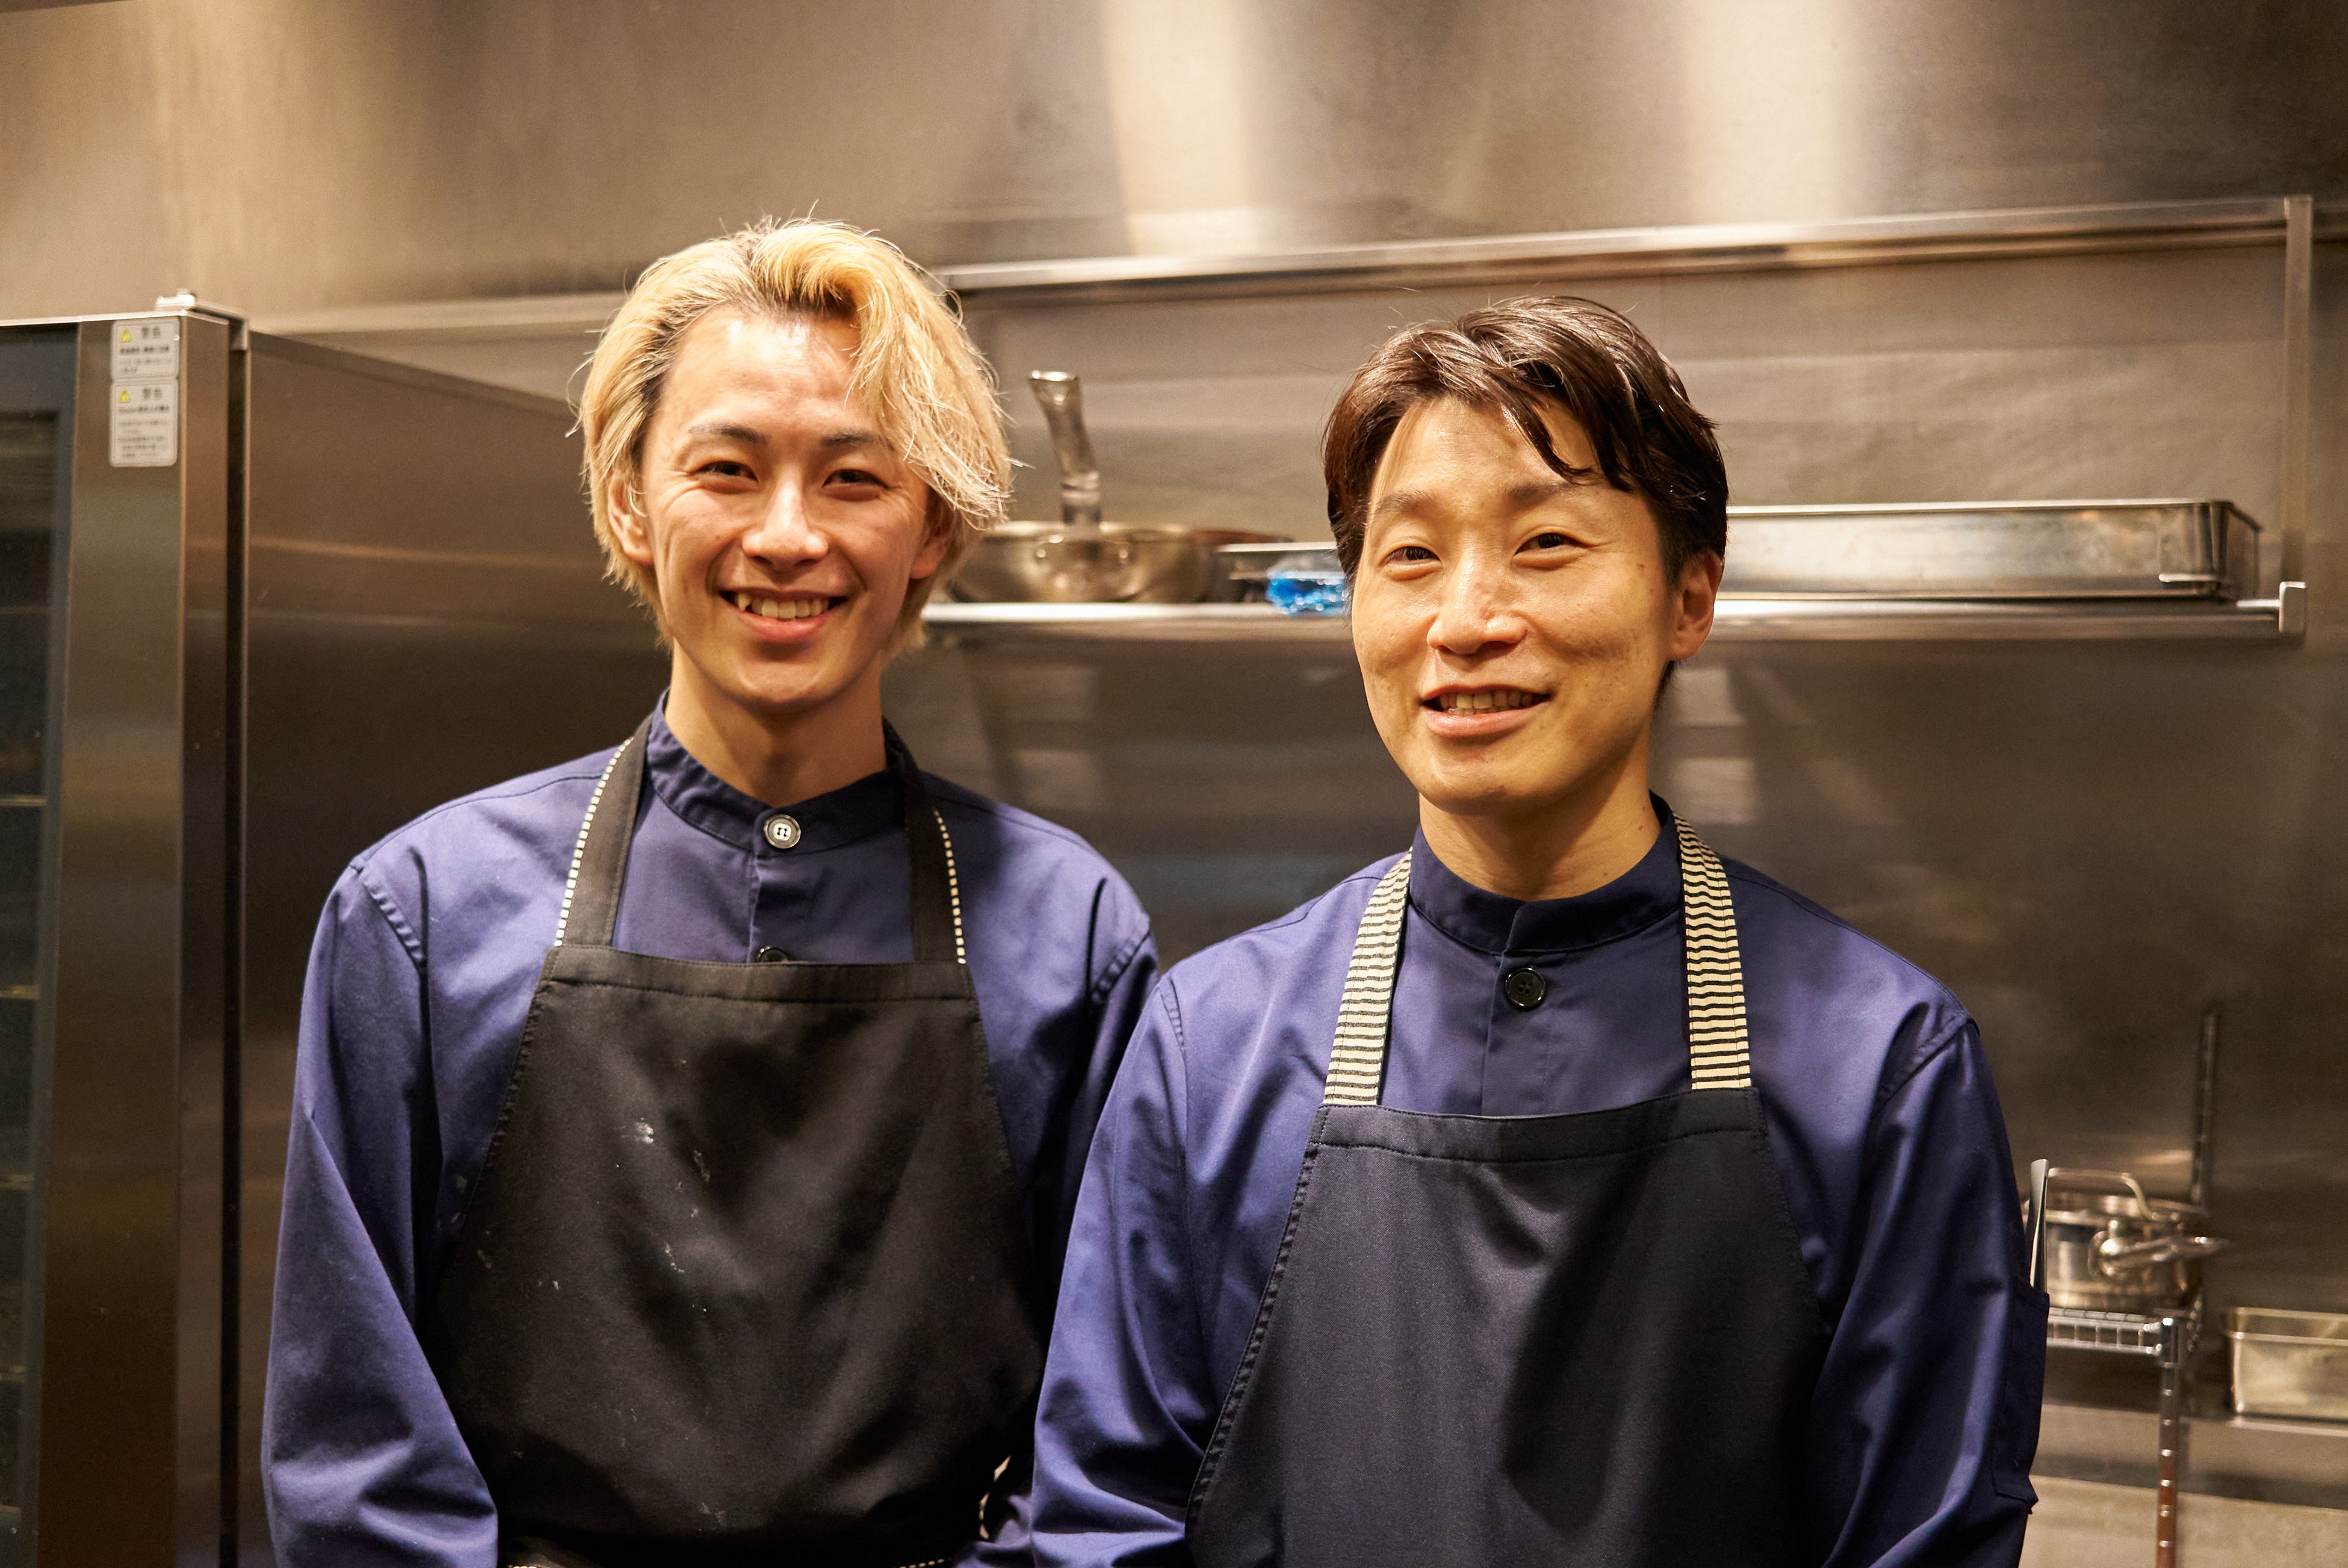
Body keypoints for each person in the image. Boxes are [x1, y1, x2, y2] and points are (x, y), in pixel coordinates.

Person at [1028, 297, 2046, 1567]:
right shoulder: (1208, 1047)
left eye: (1547, 543)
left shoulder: (1885, 1068)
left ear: (1690, 596)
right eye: (1411, 555)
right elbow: (1104, 1521)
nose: (1467, 619)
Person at [263, 220, 1158, 1568]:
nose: (786, 536)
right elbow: (356, 1458)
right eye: (727, 469)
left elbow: (1103, 1458)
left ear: (932, 525)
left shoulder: (1069, 934)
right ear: (631, 499)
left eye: (854, 477)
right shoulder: (421, 915)